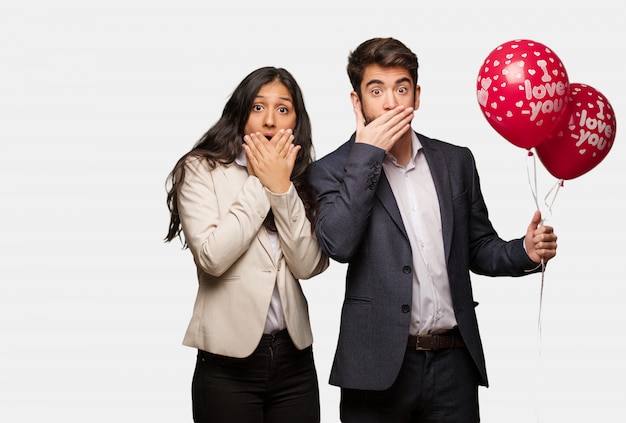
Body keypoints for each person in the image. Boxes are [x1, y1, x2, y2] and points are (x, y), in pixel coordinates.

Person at [309, 37, 558, 422]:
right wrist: (367, 154)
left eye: (401, 88)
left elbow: (478, 247)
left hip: (453, 364)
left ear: (417, 96)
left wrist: (524, 250)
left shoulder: (455, 161)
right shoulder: (330, 170)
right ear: (357, 102)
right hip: (377, 368)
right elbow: (338, 244)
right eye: (376, 91)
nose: (391, 102)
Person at [164, 66, 329, 423]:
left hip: (295, 360)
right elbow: (212, 257)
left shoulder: (300, 177)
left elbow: (308, 265)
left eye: (283, 109)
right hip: (227, 366)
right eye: (258, 107)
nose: (270, 120)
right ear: (241, 113)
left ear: (296, 122)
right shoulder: (199, 169)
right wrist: (260, 183)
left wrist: (282, 188)